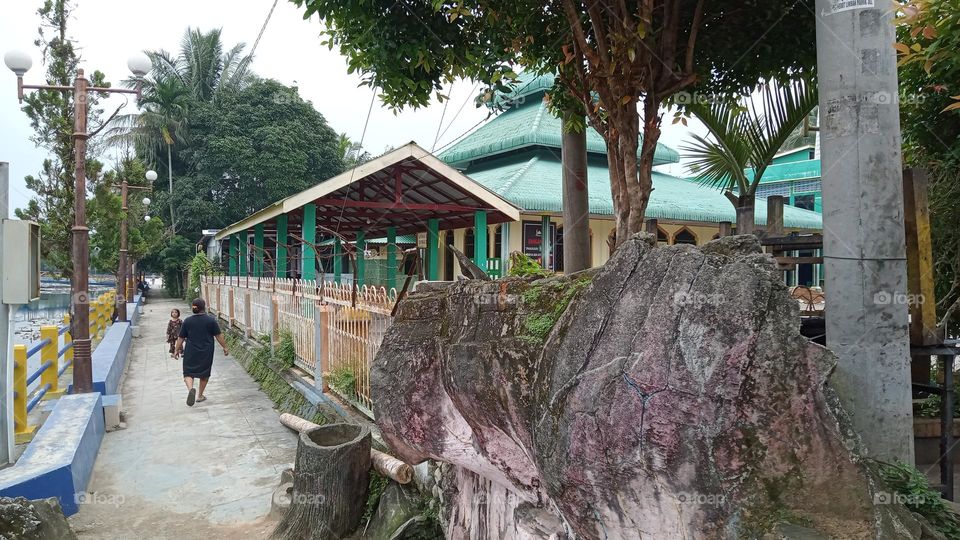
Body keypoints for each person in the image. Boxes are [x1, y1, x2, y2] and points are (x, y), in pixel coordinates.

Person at [174, 298, 228, 406]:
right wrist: (225, 347)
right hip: (206, 351)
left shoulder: (188, 321)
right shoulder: (211, 320)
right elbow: (218, 335)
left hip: (191, 351)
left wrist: (176, 350)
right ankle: (199, 395)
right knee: (204, 373)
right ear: (204, 307)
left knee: (188, 372)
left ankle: (190, 389)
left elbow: (180, 337)